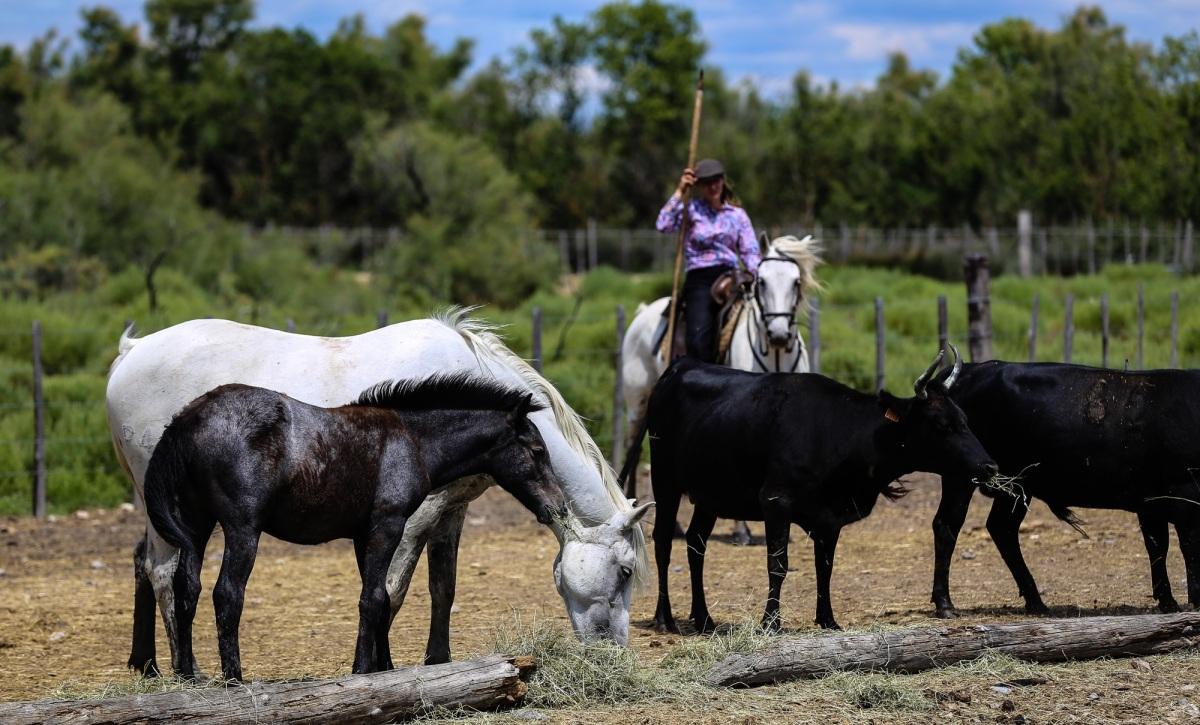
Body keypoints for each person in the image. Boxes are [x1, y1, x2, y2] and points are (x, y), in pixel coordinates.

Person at [655, 158, 760, 363]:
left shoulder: (738, 215)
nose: (713, 186)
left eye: (716, 180)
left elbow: (750, 252)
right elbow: (663, 224)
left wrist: (758, 276)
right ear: (699, 186)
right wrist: (680, 191)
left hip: (732, 276)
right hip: (701, 277)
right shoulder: (690, 209)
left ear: (723, 181)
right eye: (706, 183)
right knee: (699, 336)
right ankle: (697, 374)